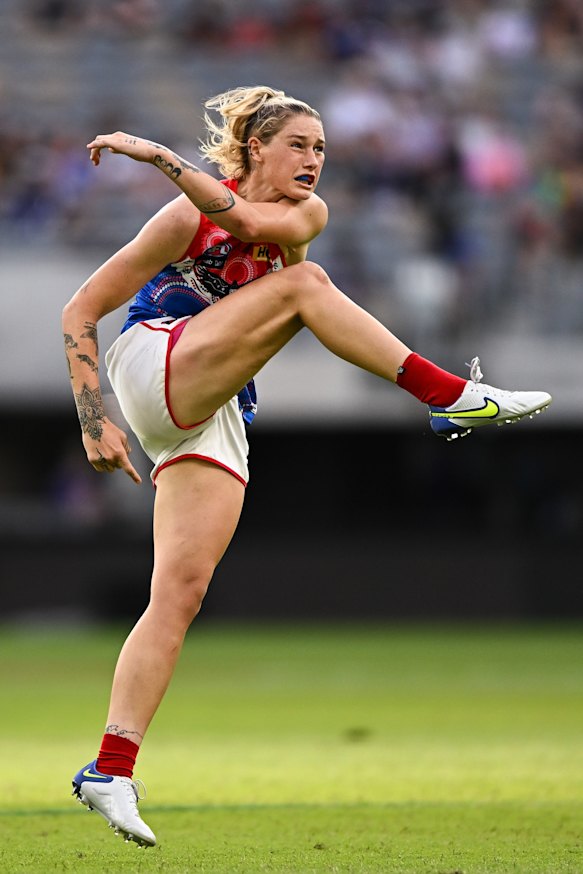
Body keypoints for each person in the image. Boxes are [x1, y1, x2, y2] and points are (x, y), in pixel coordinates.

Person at [63, 85, 551, 848]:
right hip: (153, 358)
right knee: (306, 285)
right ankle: (449, 397)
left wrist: (155, 155)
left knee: (180, 593)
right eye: (297, 144)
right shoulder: (186, 214)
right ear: (255, 147)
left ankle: (110, 770)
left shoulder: (303, 218)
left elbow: (253, 225)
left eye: (320, 148)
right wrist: (94, 420)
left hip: (213, 407)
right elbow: (81, 310)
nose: (313, 160)